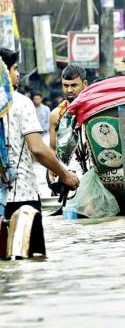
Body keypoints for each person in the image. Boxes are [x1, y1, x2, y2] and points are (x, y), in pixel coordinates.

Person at [0, 48, 79, 219]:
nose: (17, 74)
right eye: (14, 69)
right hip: (20, 195)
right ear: (4, 72)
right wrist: (65, 175)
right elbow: (37, 149)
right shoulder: (20, 102)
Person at [49, 65, 89, 151]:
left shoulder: (93, 110)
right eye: (66, 86)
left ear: (85, 84)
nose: (69, 90)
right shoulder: (56, 115)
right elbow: (53, 148)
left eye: (74, 85)